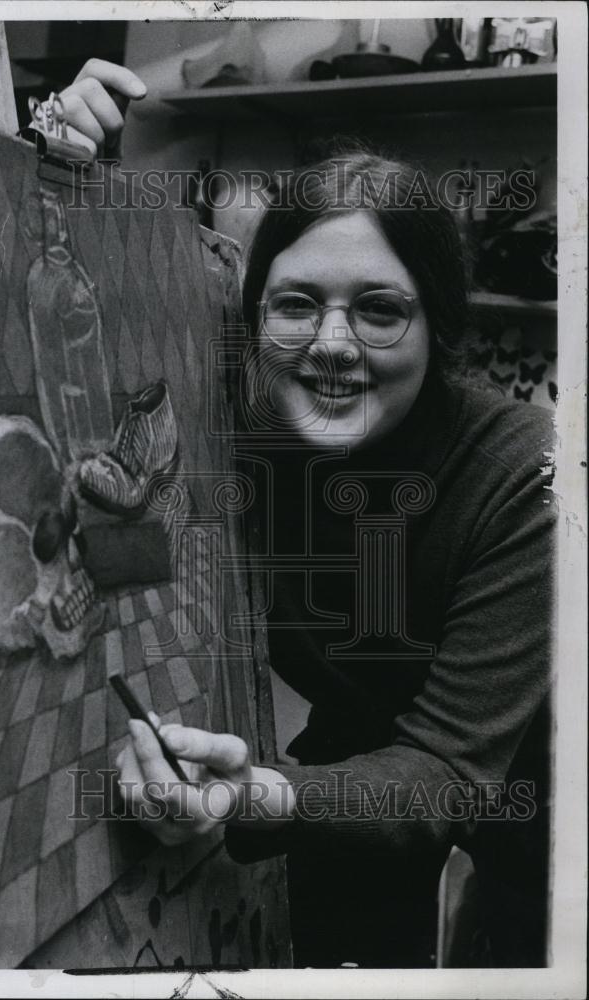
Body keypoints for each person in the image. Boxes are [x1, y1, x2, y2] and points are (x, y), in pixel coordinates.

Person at [59, 60, 555, 968]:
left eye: (379, 311)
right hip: (359, 748)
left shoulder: (526, 472)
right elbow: (118, 315)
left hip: (528, 789)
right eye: (296, 304)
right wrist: (64, 175)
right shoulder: (247, 432)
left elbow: (449, 769)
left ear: (440, 327)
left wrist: (264, 797)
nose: (331, 346)